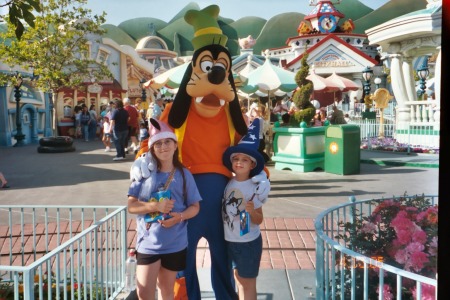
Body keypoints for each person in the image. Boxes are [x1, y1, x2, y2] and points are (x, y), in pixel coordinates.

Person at [128, 118, 201, 300]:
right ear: (152, 148)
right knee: (144, 292)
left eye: (167, 141)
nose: (163, 147)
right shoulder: (143, 173)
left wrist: (181, 216)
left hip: (175, 243)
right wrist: (155, 206)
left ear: (175, 145)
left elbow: (195, 207)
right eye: (158, 143)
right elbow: (131, 206)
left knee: (167, 291)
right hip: (148, 243)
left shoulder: (184, 174)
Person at [221, 120, 268, 300]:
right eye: (236, 159)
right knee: (239, 279)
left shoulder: (254, 187)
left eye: (244, 160)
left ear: (252, 165)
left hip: (247, 243)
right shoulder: (229, 182)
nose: (239, 162)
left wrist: (251, 212)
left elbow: (258, 219)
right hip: (231, 241)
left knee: (248, 283)